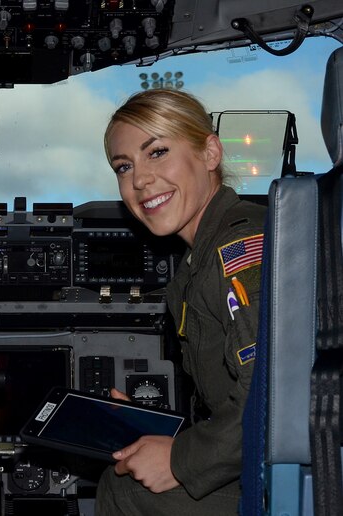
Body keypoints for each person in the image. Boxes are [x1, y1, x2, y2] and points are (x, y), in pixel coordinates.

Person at [94, 89, 265, 515]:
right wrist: (161, 430)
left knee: (123, 489)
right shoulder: (198, 261)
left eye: (158, 152)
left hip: (295, 471)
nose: (139, 180)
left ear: (210, 153)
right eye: (124, 166)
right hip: (265, 456)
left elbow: (272, 391)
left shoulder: (237, 249)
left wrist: (179, 459)